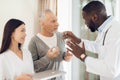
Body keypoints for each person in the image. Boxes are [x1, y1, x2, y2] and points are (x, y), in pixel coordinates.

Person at [63, 1, 120, 80]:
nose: (85, 23)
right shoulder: (104, 29)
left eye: (85, 19)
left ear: (94, 17)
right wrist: (77, 40)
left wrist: (83, 56)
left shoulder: (115, 31)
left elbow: (111, 70)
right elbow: (98, 47)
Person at [28, 9, 72, 80]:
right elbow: (32, 67)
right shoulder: (34, 42)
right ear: (42, 23)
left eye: (57, 20)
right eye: (53, 21)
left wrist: (66, 57)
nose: (57, 24)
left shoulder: (61, 36)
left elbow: (63, 56)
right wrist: (47, 57)